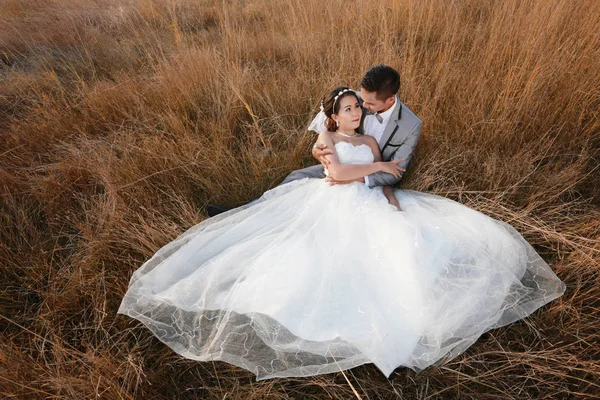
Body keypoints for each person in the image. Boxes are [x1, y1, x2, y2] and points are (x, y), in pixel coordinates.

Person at [117, 87, 566, 381]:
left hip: (370, 203)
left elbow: (381, 181)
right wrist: (375, 166)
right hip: (332, 200)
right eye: (348, 108)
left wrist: (393, 203)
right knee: (301, 250)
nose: (355, 113)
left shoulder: (370, 142)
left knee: (407, 247)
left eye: (358, 107)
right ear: (333, 115)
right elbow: (337, 175)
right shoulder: (328, 141)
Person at [206, 64, 422, 216]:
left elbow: (396, 173)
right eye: (359, 101)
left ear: (390, 100)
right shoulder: (355, 99)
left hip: (369, 183)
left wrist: (357, 179)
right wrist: (317, 150)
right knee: (296, 178)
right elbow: (328, 130)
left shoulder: (411, 125)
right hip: (337, 166)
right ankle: (246, 212)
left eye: (368, 104)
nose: (361, 108)